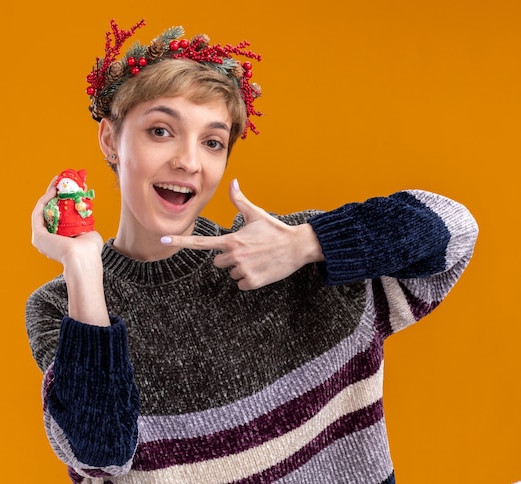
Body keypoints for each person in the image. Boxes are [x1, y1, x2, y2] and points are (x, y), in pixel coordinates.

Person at [26, 19, 478, 484]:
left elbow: (457, 230)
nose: (189, 161)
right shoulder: (65, 309)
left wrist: (308, 243)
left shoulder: (289, 255)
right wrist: (83, 266)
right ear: (109, 140)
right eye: (161, 131)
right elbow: (100, 454)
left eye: (213, 142)